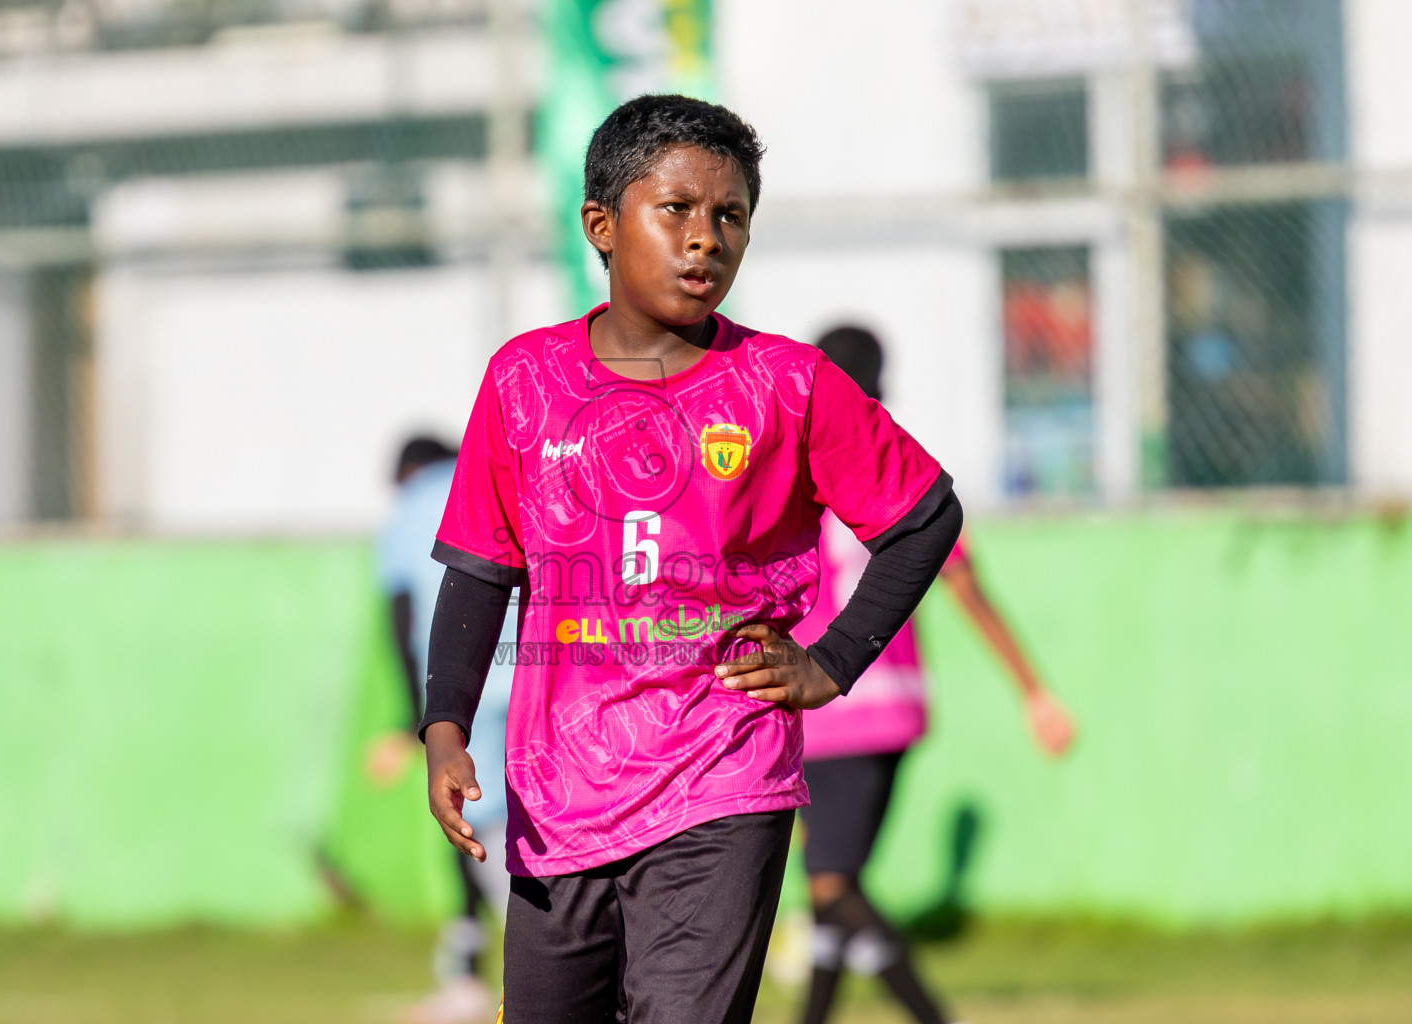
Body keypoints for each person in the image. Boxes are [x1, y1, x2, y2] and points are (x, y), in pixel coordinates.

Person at [419, 94, 962, 1024]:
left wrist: (831, 663)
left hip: (724, 776)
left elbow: (924, 515)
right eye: (676, 210)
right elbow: (479, 567)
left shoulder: (787, 385)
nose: (705, 238)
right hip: (559, 797)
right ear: (602, 223)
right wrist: (443, 731)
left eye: (730, 215)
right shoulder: (524, 381)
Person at [789, 326, 1078, 1024]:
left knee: (831, 885)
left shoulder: (799, 464)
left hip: (822, 710)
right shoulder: (896, 465)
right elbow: (968, 587)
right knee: (833, 889)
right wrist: (1032, 690)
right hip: (887, 710)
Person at [369, 436, 517, 1024]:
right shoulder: (492, 482)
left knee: (479, 829)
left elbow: (402, 617)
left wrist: (420, 722)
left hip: (464, 689)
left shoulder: (407, 512)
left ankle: (535, 965)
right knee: (517, 822)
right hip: (534, 671)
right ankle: (469, 971)